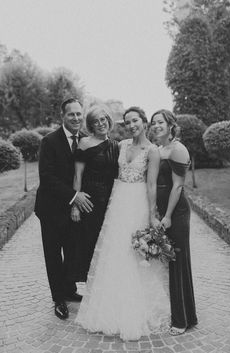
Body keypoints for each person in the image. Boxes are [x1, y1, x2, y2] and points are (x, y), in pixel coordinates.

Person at [75, 106, 170, 341]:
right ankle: (108, 308)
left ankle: (136, 311)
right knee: (114, 252)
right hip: (117, 204)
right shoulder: (122, 145)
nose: (131, 125)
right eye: (127, 122)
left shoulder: (152, 151)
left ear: (144, 122)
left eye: (135, 120)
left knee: (134, 255)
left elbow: (150, 185)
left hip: (137, 203)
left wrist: (151, 215)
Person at [35, 98, 93, 320]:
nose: (77, 118)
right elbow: (47, 177)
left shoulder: (86, 141)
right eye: (72, 115)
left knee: (71, 251)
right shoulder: (50, 141)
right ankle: (58, 298)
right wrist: (74, 196)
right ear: (63, 116)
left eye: (79, 114)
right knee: (53, 255)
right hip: (50, 209)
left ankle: (69, 290)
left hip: (73, 210)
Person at [150, 109, 198, 336]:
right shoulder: (159, 149)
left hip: (176, 213)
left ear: (171, 125)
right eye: (153, 122)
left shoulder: (178, 149)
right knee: (169, 262)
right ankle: (186, 314)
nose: (156, 125)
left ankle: (182, 320)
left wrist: (167, 215)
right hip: (164, 212)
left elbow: (177, 185)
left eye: (160, 122)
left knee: (177, 262)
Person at [70, 104, 119, 282]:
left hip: (109, 202)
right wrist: (75, 205)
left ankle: (104, 287)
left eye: (103, 119)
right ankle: (88, 286)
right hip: (88, 202)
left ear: (108, 120)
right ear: (90, 125)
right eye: (95, 121)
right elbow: (77, 175)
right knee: (88, 243)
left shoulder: (116, 146)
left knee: (106, 245)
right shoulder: (85, 143)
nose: (100, 124)